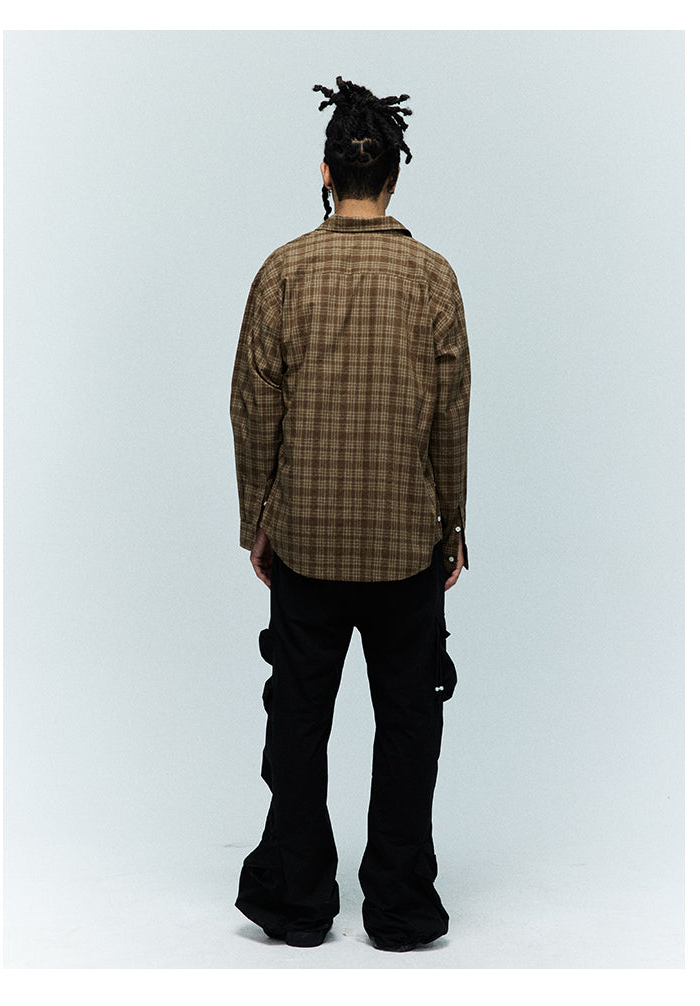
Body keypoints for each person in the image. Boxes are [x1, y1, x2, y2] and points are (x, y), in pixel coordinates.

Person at [229, 76, 470, 953]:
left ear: (326, 172)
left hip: (306, 541)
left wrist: (258, 517)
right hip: (406, 543)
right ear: (393, 176)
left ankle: (297, 900)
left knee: (298, 717)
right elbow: (451, 414)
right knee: (409, 721)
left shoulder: (284, 271)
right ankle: (400, 909)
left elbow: (251, 407)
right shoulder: (433, 277)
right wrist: (452, 526)